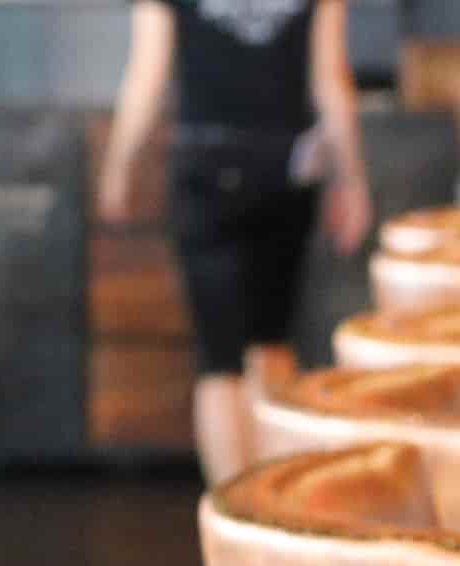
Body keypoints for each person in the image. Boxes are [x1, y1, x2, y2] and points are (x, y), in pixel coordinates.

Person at [98, 0, 372, 485]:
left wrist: (119, 168)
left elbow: (147, 79)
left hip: (205, 168)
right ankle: (276, 506)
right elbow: (331, 81)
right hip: (286, 170)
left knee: (219, 362)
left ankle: (236, 510)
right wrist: (350, 180)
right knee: (272, 345)